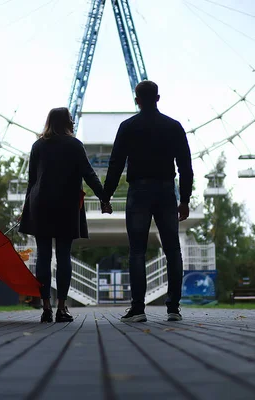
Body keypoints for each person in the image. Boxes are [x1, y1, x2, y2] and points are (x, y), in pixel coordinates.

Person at [102, 80, 194, 322]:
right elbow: (185, 166)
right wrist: (184, 199)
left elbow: (116, 164)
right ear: (158, 98)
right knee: (172, 249)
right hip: (166, 191)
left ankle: (138, 309)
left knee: (137, 251)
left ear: (137, 100)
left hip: (139, 192)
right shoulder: (173, 127)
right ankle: (173, 308)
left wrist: (106, 195)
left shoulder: (128, 127)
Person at [19, 107, 112, 323]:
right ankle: (61, 308)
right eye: (70, 118)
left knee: (43, 255)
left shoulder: (38, 145)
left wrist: (26, 209)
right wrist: (104, 198)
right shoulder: (74, 145)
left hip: (40, 204)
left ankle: (45, 308)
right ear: (66, 122)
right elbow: (88, 174)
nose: (72, 121)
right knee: (63, 255)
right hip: (66, 204)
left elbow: (32, 180)